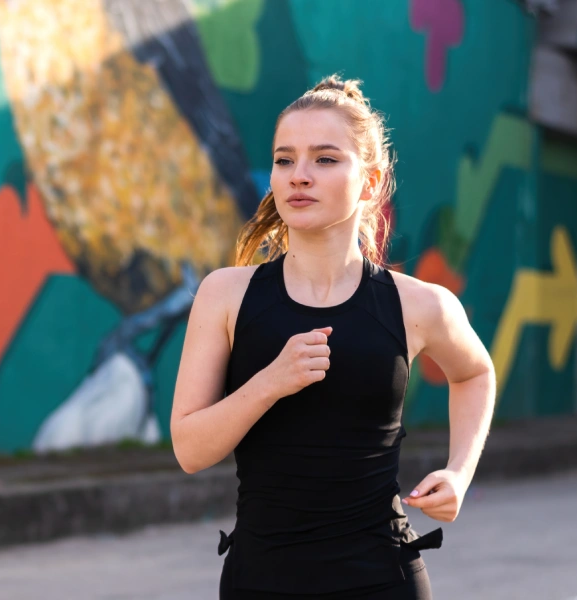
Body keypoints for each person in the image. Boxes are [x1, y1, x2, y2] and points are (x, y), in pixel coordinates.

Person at [170, 75, 496, 599]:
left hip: (382, 579)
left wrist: (459, 472)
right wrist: (270, 382)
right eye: (284, 160)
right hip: (261, 580)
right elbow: (189, 449)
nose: (299, 176)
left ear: (369, 181)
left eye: (324, 159)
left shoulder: (419, 304)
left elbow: (476, 372)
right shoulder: (226, 295)